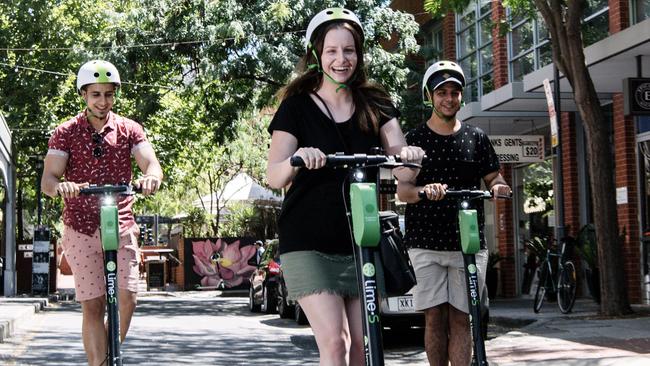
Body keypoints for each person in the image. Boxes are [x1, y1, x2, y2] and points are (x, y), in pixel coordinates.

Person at [266, 8, 423, 365]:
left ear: (359, 53)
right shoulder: (296, 108)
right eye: (332, 51)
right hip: (307, 242)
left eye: (349, 50)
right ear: (317, 55)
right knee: (336, 342)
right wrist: (298, 158)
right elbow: (273, 175)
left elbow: (403, 171)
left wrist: (409, 156)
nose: (341, 59)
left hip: (360, 241)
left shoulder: (376, 103)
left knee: (360, 349)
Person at [41, 60, 163, 366]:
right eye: (96, 94)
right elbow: (48, 181)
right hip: (80, 225)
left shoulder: (129, 129)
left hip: (119, 220)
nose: (103, 101)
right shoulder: (66, 132)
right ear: (84, 94)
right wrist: (63, 186)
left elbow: (150, 162)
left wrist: (151, 177)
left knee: (127, 297)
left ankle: (109, 357)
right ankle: (99, 364)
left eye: (109, 94)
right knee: (93, 305)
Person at [396, 60, 511, 366]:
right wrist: (424, 191)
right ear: (429, 96)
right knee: (434, 317)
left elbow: (493, 177)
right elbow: (403, 192)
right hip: (425, 243)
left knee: (462, 318)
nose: (449, 98)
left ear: (461, 96)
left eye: (455, 92)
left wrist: (500, 187)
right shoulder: (414, 139)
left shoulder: (476, 137)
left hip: (468, 243)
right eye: (442, 92)